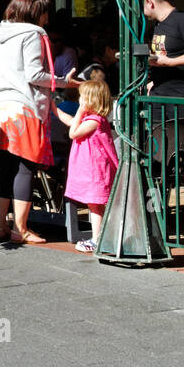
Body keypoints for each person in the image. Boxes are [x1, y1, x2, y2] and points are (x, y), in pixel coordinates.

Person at [0, 0, 77, 244]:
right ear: (35, 13)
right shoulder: (34, 35)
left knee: (4, 168)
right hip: (24, 107)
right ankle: (20, 229)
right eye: (44, 12)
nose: (47, 18)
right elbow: (34, 75)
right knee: (25, 169)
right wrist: (63, 82)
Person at [143, 0, 184, 171]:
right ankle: (158, 195)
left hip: (181, 98)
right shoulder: (159, 26)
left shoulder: (183, 20)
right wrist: (154, 77)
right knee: (156, 153)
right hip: (158, 98)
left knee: (183, 153)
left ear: (149, 2)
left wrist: (170, 62)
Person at [56, 79, 119, 254]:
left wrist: (80, 111)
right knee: (95, 205)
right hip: (94, 169)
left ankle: (97, 239)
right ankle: (101, 237)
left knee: (96, 205)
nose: (79, 100)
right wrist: (54, 109)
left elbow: (73, 132)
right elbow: (70, 122)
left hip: (96, 171)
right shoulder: (93, 119)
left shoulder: (94, 121)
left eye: (82, 98)